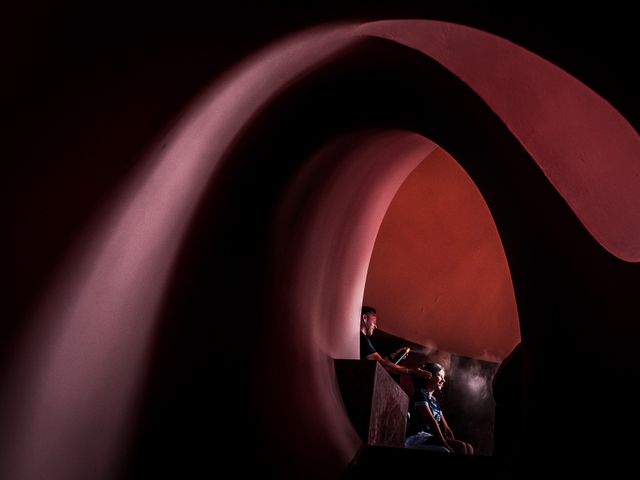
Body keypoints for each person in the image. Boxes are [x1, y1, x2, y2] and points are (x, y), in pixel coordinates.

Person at [405, 362, 474, 454]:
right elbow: (431, 421)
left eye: (444, 377)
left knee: (468, 447)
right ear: (429, 375)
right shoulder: (420, 394)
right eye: (440, 376)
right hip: (417, 437)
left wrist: (453, 441)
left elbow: (447, 428)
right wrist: (445, 443)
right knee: (461, 447)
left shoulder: (434, 401)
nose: (443, 380)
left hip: (430, 437)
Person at [359, 306, 431, 380]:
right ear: (365, 318)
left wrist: (394, 354)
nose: (375, 326)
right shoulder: (362, 338)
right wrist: (411, 371)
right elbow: (382, 364)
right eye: (374, 322)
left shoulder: (361, 338)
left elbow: (382, 364)